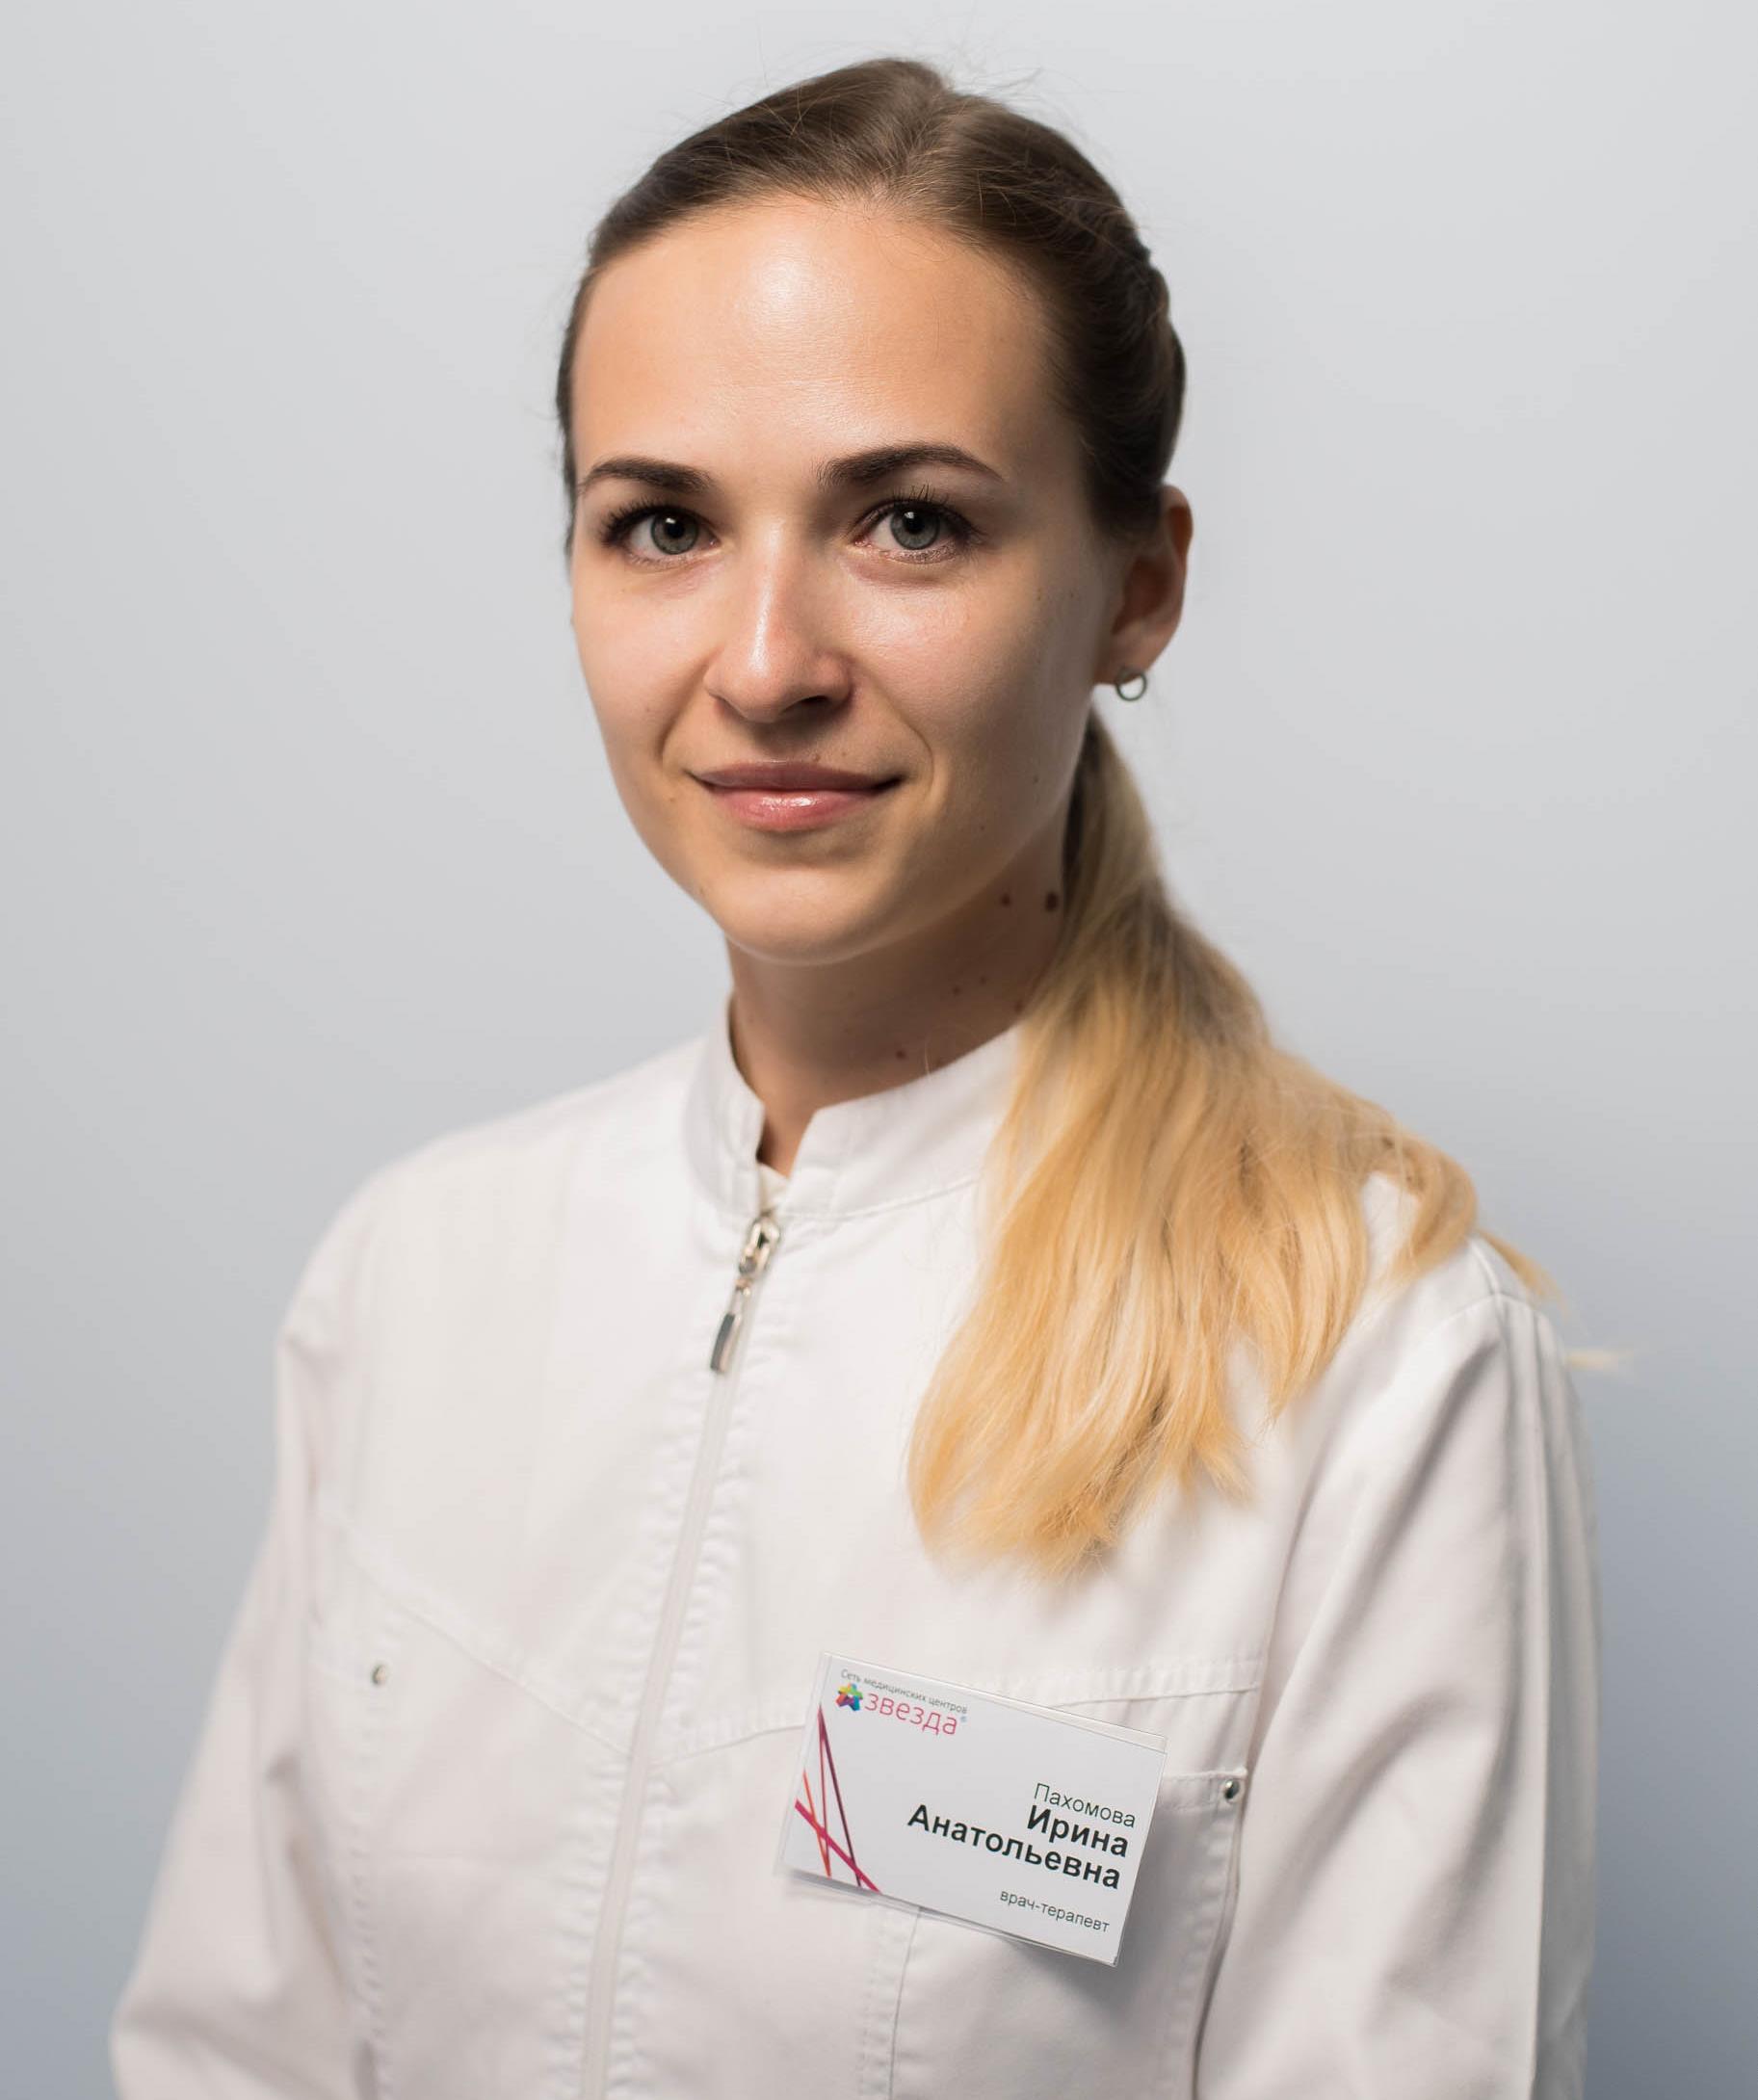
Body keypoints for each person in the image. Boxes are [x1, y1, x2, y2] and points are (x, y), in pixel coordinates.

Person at [110, 54, 1600, 2100]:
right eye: (662, 525)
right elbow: (231, 2054)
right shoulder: (415, 1276)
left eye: (910, 522)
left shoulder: (1373, 1361)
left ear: (1136, 584)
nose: (764, 662)